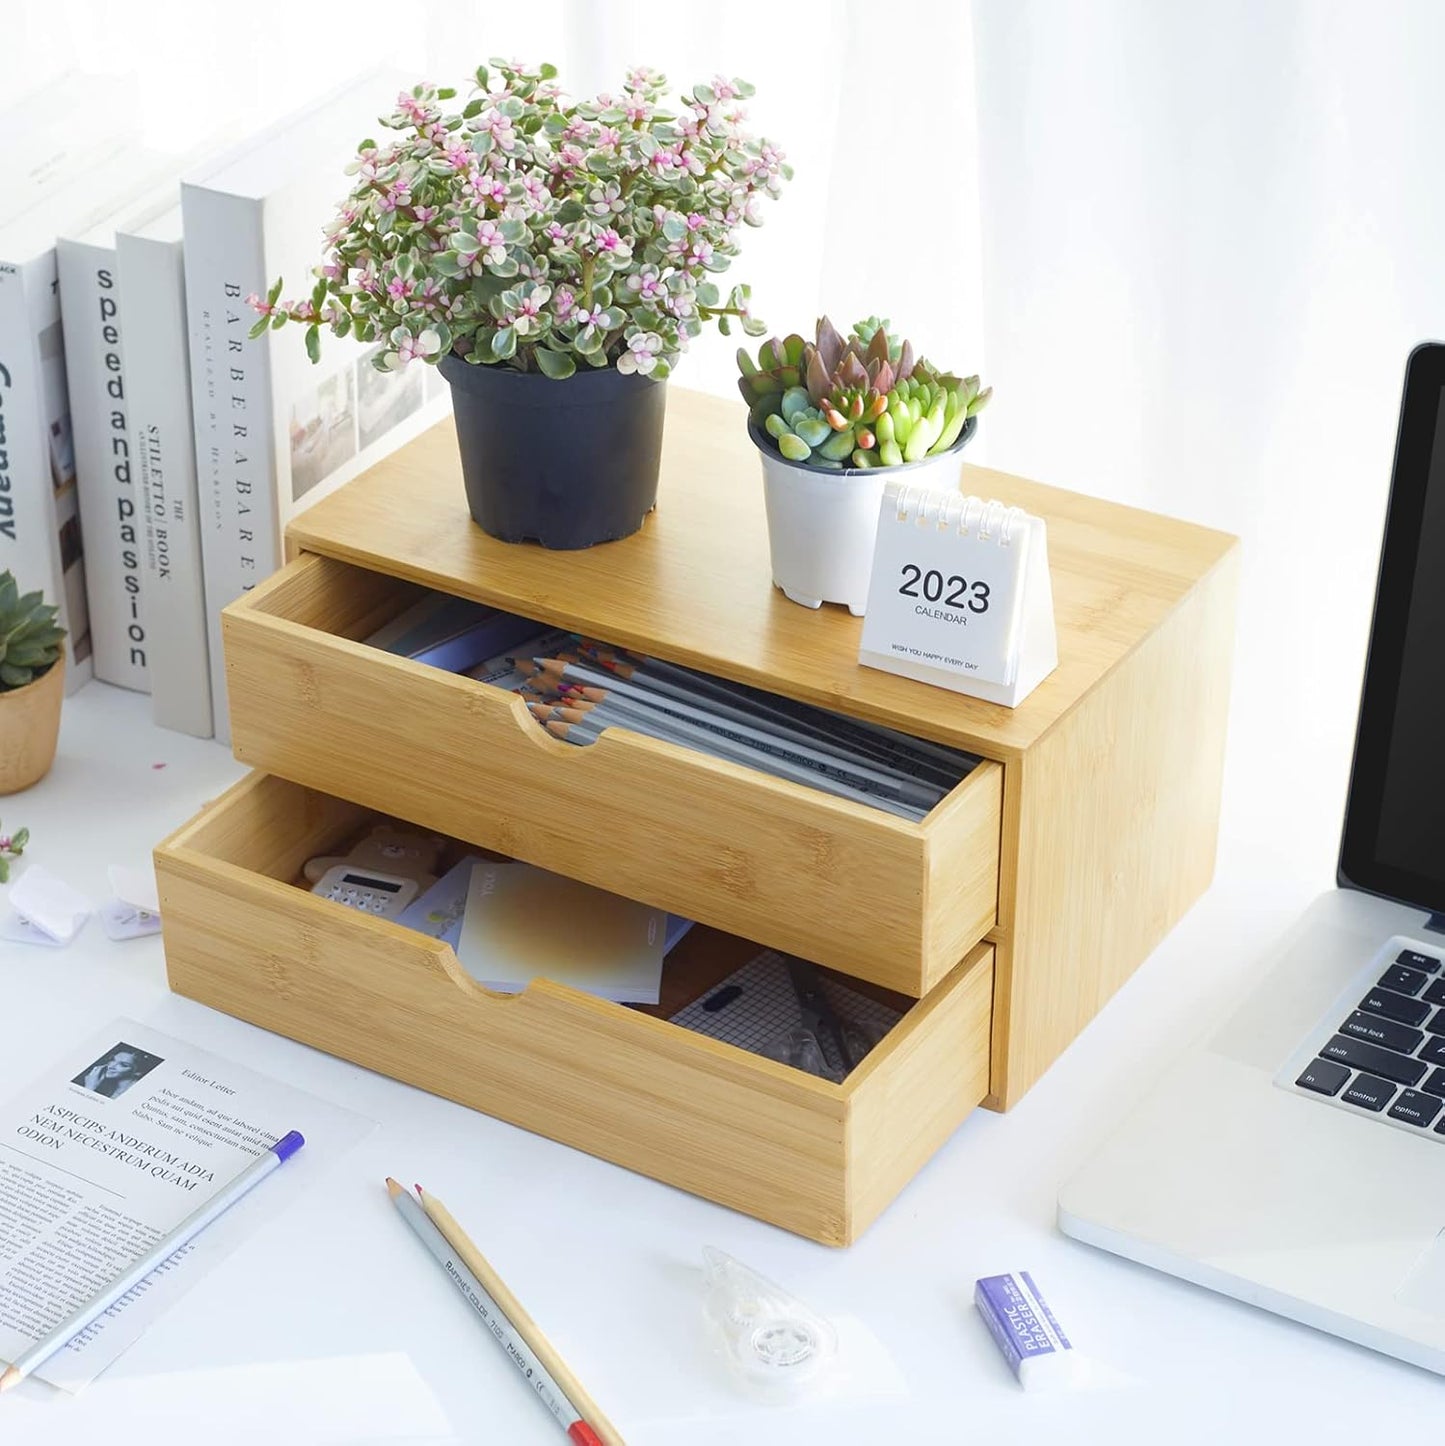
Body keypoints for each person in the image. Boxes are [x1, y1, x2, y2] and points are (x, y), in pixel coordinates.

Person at [79, 1049, 147, 1100]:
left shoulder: (136, 1094)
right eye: (113, 1060)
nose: (111, 1066)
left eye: (123, 1065)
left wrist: (89, 1087)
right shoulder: (106, 1084)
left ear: (138, 1072)